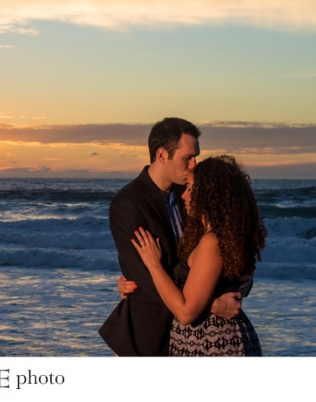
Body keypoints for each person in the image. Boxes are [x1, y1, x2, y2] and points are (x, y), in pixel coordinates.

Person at [98, 117, 242, 356]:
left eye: (196, 157)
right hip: (149, 336)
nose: (194, 165)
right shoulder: (128, 203)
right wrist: (211, 305)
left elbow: (218, 257)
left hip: (191, 337)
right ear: (162, 155)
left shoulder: (192, 195)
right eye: (188, 158)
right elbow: (147, 278)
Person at [131, 155, 266, 356]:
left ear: (209, 195)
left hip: (211, 341)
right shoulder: (217, 236)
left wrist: (154, 265)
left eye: (190, 188)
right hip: (210, 339)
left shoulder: (212, 242)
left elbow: (186, 312)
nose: (184, 195)